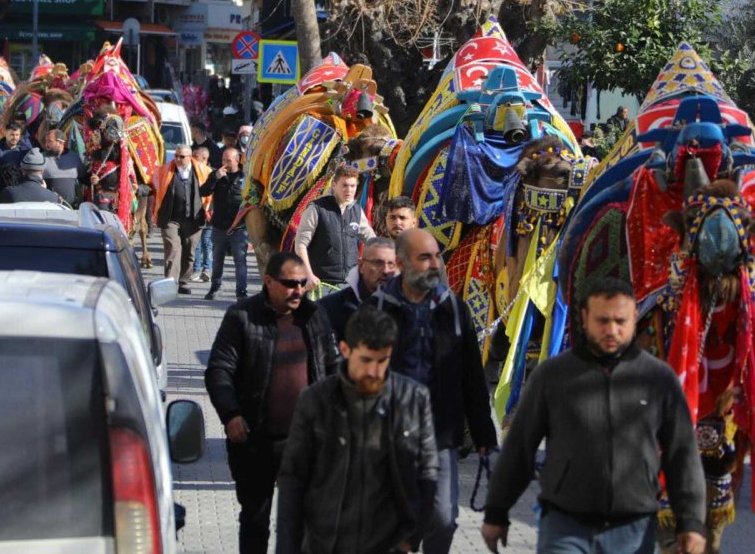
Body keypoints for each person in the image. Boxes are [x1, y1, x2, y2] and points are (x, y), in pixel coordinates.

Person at [480, 278, 707, 554]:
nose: (611, 330)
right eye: (602, 320)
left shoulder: (658, 379)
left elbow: (682, 455)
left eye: (620, 321)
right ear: (585, 318)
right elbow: (519, 449)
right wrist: (496, 512)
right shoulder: (552, 376)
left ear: (635, 318)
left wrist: (692, 522)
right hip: (565, 526)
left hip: (632, 530)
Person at [370, 228, 497, 554]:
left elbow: (472, 377)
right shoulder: (378, 309)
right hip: (388, 437)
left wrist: (484, 437)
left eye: (436, 256)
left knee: (443, 518)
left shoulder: (454, 309)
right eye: (424, 257)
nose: (434, 264)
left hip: (440, 435)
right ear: (401, 263)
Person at [204, 252, 339, 554]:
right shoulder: (242, 317)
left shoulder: (314, 316)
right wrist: (231, 415)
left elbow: (333, 368)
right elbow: (219, 369)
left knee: (303, 522)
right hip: (256, 441)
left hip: (307, 442)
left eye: (303, 284)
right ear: (268, 282)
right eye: (290, 284)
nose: (298, 291)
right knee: (255, 519)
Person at [275, 306, 439, 554]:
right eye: (366, 360)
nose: (374, 371)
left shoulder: (413, 399)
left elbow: (427, 473)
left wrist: (412, 536)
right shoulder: (315, 401)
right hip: (327, 542)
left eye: (382, 360)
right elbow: (292, 481)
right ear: (345, 350)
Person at [294, 165, 375, 290]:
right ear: (334, 185)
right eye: (344, 185)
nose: (349, 190)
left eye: (353, 186)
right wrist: (309, 275)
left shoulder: (357, 211)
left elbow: (372, 241)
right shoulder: (316, 209)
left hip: (350, 284)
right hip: (320, 284)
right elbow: (300, 245)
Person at [153, 145, 212, 295]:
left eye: (182, 157)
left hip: (194, 218)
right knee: (173, 249)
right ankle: (169, 284)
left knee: (189, 250)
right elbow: (152, 185)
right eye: (176, 156)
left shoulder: (202, 171)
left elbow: (212, 187)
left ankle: (183, 282)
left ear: (190, 157)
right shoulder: (165, 170)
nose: (178, 159)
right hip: (170, 218)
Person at [318, 237, 397, 340]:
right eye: (378, 263)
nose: (386, 271)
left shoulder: (404, 306)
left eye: (391, 264)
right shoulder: (328, 308)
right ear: (361, 266)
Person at [201, 147, 249, 300]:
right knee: (217, 258)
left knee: (240, 260)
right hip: (219, 225)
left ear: (237, 160)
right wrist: (215, 177)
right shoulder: (216, 174)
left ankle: (241, 291)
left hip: (239, 227)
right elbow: (204, 191)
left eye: (228, 160)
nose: (225, 163)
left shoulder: (245, 176)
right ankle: (215, 287)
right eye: (223, 160)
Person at [0, 149, 65, 204]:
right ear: (42, 171)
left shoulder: (8, 193)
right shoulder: (53, 197)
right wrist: (44, 190)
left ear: (22, 170)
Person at [190, 146, 216, 283]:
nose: (192, 158)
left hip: (209, 213)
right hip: (196, 212)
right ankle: (196, 269)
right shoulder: (192, 172)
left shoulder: (211, 173)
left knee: (207, 242)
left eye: (196, 156)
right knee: (197, 243)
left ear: (205, 158)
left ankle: (207, 269)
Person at [40, 128, 84, 206]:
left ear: (60, 142)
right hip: (48, 206)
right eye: (46, 141)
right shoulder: (41, 158)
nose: (46, 145)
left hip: (70, 207)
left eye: (50, 141)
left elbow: (83, 177)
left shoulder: (74, 157)